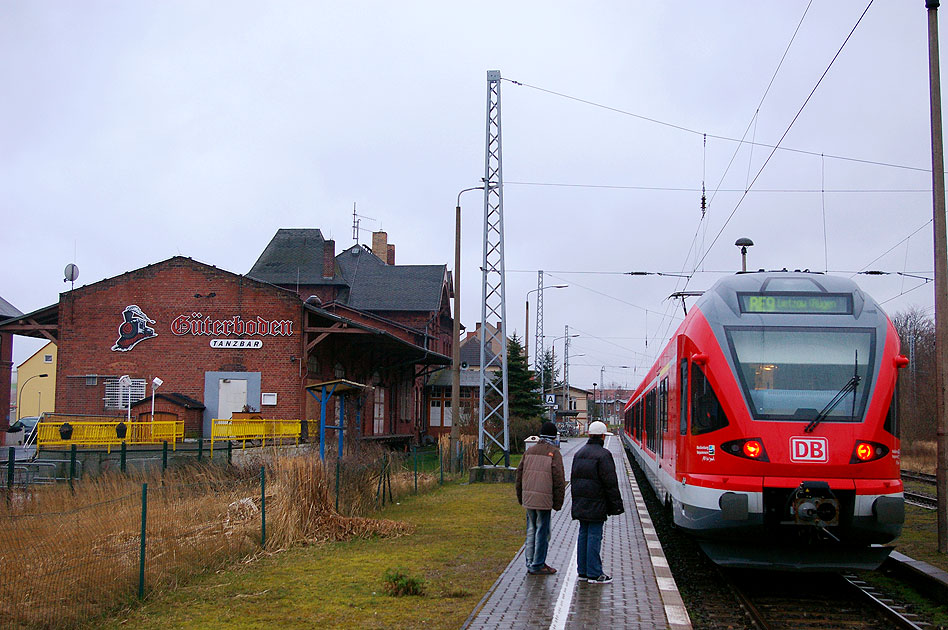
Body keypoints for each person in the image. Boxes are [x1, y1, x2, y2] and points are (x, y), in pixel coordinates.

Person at [570, 420, 624, 584]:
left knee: (583, 534)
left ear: (589, 435)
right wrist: (616, 506)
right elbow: (610, 483)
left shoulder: (579, 453)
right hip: (597, 504)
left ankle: (583, 571)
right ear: (602, 436)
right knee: (594, 536)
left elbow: (573, 480)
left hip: (581, 503)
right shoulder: (604, 455)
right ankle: (594, 573)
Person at [515, 420, 566, 575]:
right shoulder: (554, 452)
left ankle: (529, 562)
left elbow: (519, 475)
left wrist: (521, 497)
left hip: (529, 498)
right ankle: (538, 564)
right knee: (542, 531)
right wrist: (558, 503)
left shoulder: (529, 451)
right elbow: (558, 479)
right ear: (554, 436)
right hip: (544, 500)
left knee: (531, 529)